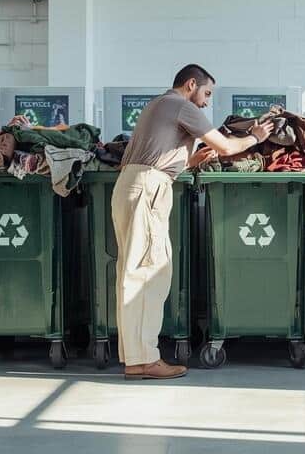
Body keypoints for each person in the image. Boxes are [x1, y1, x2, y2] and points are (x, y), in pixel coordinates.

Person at [113, 63, 272, 380]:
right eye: (207, 93)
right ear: (190, 84)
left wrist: (190, 161)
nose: (207, 102)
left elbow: (151, 156)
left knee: (133, 273)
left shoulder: (156, 106)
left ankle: (135, 358)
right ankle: (144, 359)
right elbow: (226, 146)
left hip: (131, 186)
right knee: (150, 274)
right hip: (148, 188)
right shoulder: (180, 105)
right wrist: (255, 137)